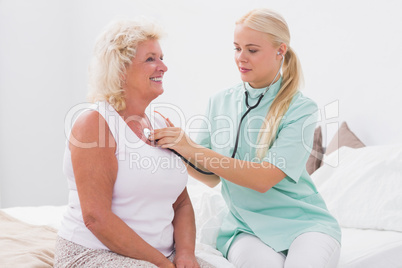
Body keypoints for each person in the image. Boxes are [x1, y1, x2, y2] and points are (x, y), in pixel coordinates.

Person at [151, 8, 341, 268]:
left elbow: (263, 179)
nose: (241, 58)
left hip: (305, 224)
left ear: (280, 50)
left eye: (252, 50)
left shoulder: (301, 109)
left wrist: (191, 147)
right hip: (245, 227)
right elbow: (210, 177)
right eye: (237, 48)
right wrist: (178, 150)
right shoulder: (219, 102)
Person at [54, 19, 213, 268]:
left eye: (161, 57)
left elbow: (180, 202)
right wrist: (163, 264)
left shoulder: (160, 122)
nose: (164, 67)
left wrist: (185, 255)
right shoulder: (95, 125)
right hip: (95, 252)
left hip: (161, 255)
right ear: (120, 70)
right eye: (151, 59)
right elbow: (96, 218)